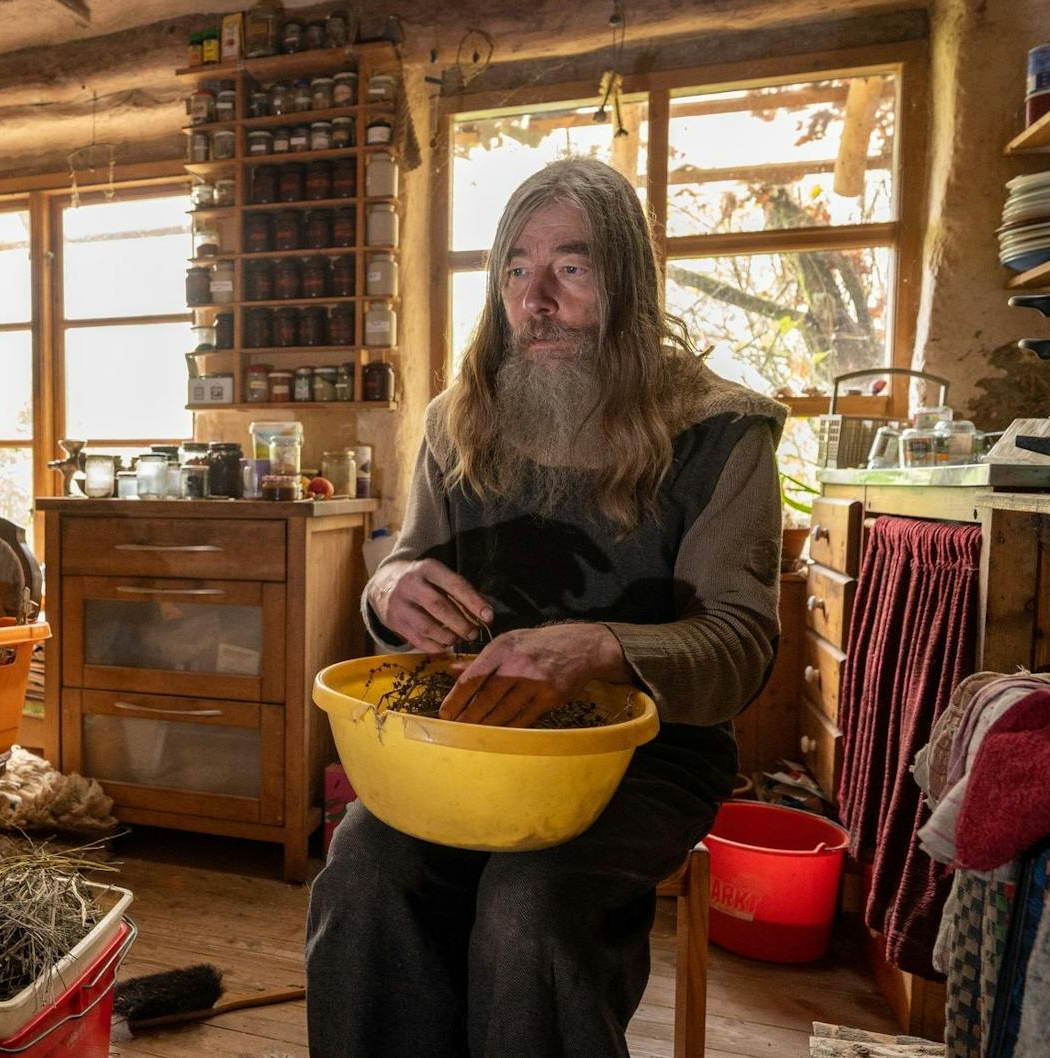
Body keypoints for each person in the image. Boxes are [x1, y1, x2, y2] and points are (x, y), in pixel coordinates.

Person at [306, 157, 786, 1058]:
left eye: (572, 268)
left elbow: (741, 645)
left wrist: (604, 646)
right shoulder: (461, 419)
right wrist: (387, 589)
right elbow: (404, 560)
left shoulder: (723, 431)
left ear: (628, 284)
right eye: (517, 271)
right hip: (469, 735)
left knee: (527, 904)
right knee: (363, 876)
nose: (538, 300)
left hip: (646, 753)